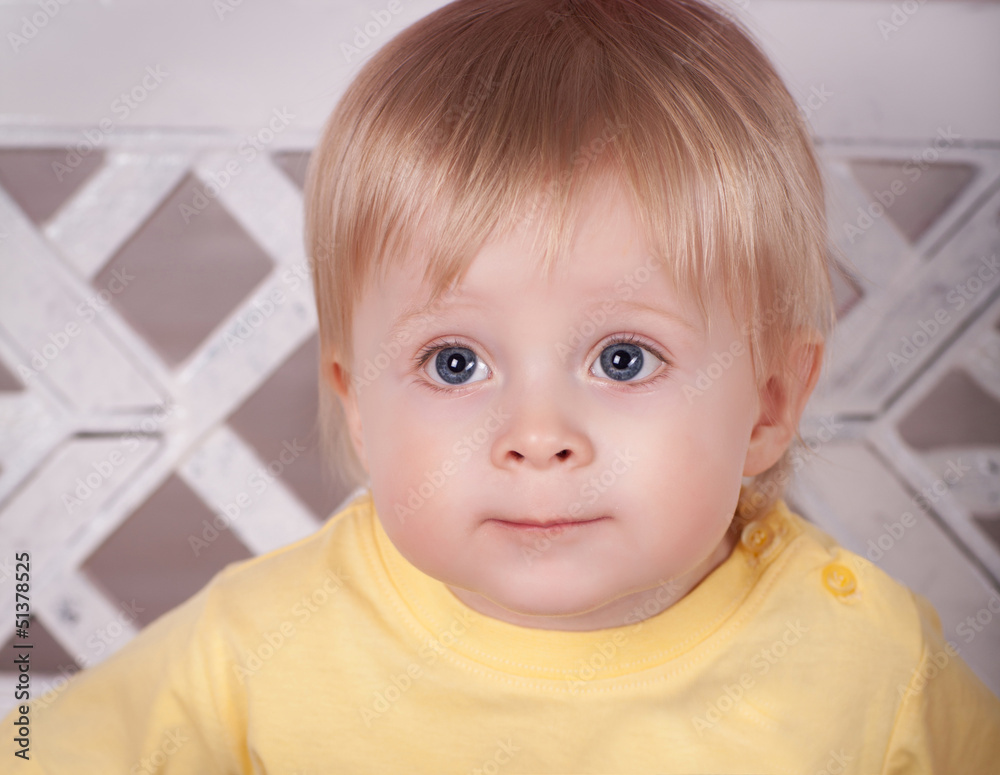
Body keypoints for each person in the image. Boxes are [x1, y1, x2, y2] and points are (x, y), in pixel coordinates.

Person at [6, 0, 1000, 771]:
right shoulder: (256, 646)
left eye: (622, 358)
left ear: (770, 406)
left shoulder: (866, 666)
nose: (535, 435)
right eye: (454, 362)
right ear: (357, 401)